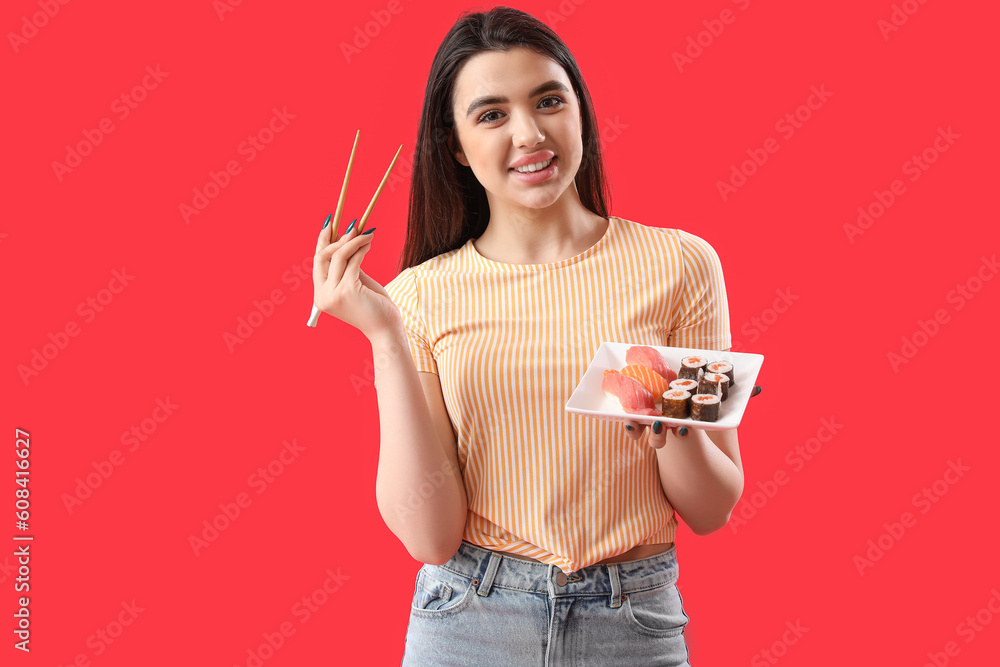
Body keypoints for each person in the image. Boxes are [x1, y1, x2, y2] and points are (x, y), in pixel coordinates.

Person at [312, 7, 749, 665]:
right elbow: (431, 537)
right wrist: (385, 336)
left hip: (633, 623)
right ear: (456, 144)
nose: (529, 132)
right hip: (469, 622)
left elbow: (713, 507)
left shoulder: (682, 264)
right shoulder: (418, 295)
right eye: (491, 114)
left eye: (549, 100)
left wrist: (674, 432)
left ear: (580, 110)